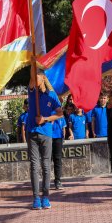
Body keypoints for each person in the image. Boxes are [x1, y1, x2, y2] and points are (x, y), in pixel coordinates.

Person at [25, 72, 64, 210]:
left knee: (46, 166)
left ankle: (45, 197)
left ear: (43, 80)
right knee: (34, 166)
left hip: (46, 134)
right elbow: (31, 78)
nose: (35, 79)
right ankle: (36, 198)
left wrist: (46, 119)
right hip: (32, 132)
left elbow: (60, 113)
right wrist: (33, 62)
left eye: (37, 77)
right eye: (33, 77)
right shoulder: (32, 92)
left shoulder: (51, 95)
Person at [51, 98, 66, 190]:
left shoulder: (62, 114)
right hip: (49, 137)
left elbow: (63, 126)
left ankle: (58, 181)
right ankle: (45, 181)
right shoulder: (50, 112)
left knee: (58, 159)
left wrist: (63, 136)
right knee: (47, 160)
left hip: (58, 138)